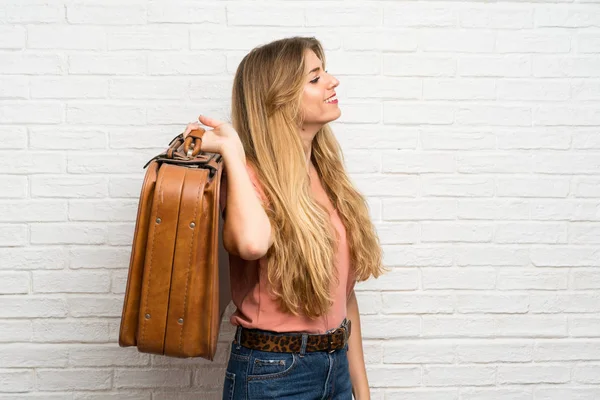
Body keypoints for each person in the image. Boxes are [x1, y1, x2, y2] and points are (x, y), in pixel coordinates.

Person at [182, 36, 384, 400]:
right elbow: (251, 243)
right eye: (315, 77)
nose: (332, 81)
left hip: (336, 368)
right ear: (279, 98)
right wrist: (231, 149)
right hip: (272, 376)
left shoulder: (328, 177)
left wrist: (362, 393)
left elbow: (345, 297)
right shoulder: (247, 177)